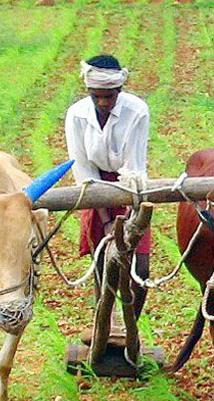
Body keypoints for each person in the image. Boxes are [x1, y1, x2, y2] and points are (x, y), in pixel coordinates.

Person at [65, 54, 151, 319]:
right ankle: (104, 323)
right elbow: (84, 170)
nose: (103, 103)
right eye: (97, 96)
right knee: (103, 262)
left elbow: (133, 167)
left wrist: (129, 223)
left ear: (119, 90)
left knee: (140, 267)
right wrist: (104, 221)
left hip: (130, 189)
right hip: (95, 190)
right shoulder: (77, 115)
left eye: (109, 96)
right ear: (89, 92)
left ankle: (130, 328)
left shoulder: (137, 111)